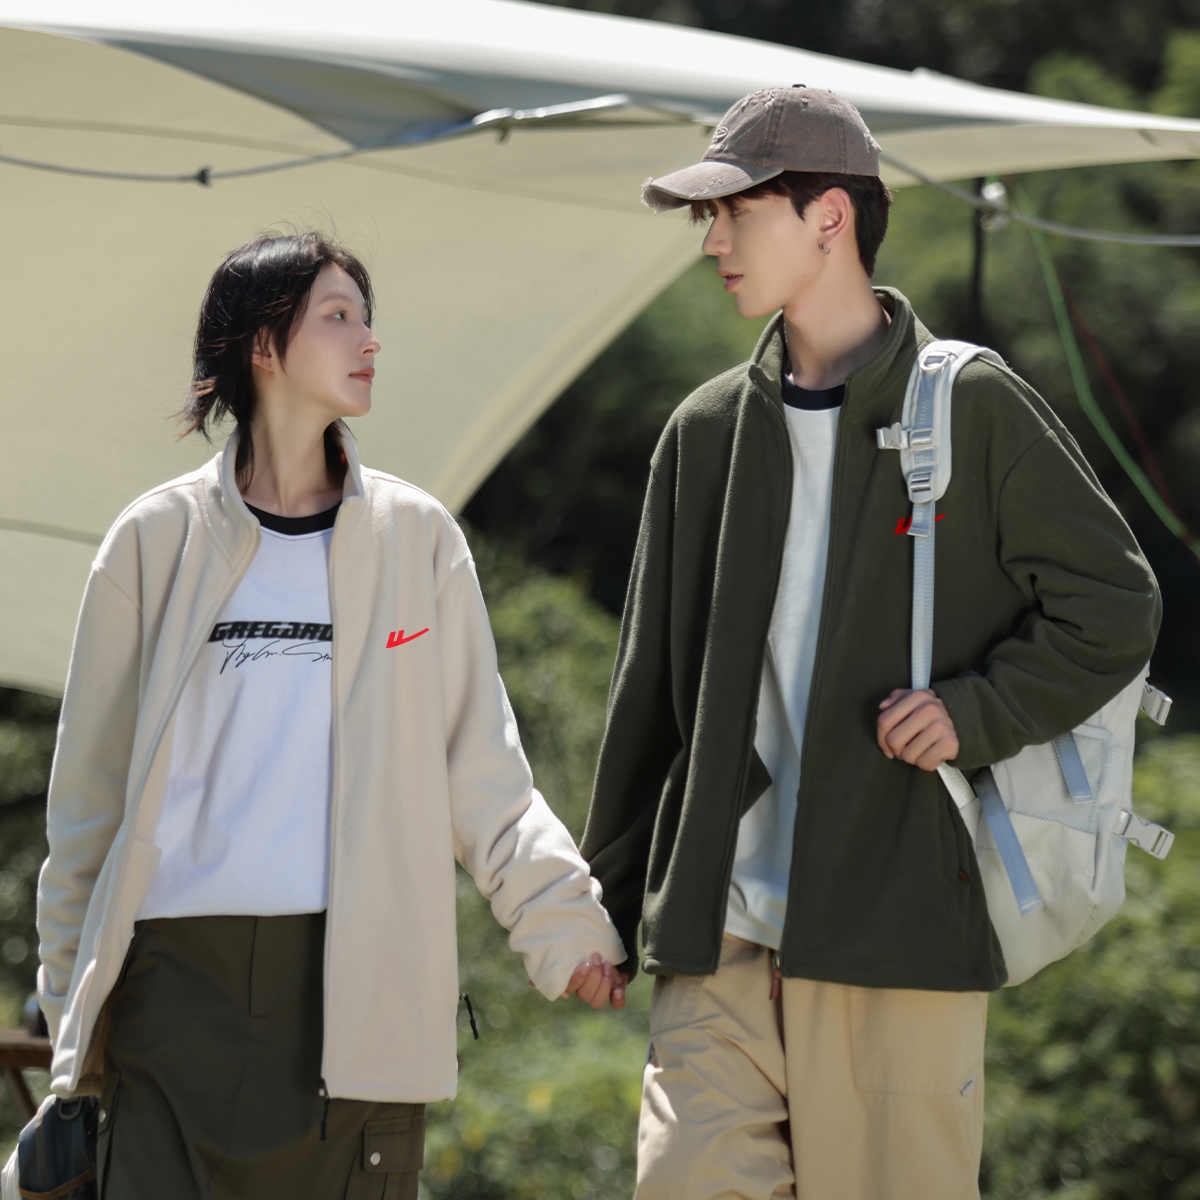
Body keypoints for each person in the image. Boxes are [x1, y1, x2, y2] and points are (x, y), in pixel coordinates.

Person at [580, 87, 1160, 1199]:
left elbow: (1115, 604)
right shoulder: (705, 433)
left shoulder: (974, 406)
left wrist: (976, 711)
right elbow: (649, 692)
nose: (711, 242)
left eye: (735, 211)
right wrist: (606, 904)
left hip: (900, 929)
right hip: (723, 932)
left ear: (830, 217)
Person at [36, 232, 626, 1200]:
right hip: (171, 995)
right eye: (338, 316)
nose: (369, 340)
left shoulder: (418, 539)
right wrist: (72, 1019)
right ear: (262, 345)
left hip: (362, 990)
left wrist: (564, 927)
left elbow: (482, 771)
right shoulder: (153, 541)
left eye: (367, 317)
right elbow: (86, 805)